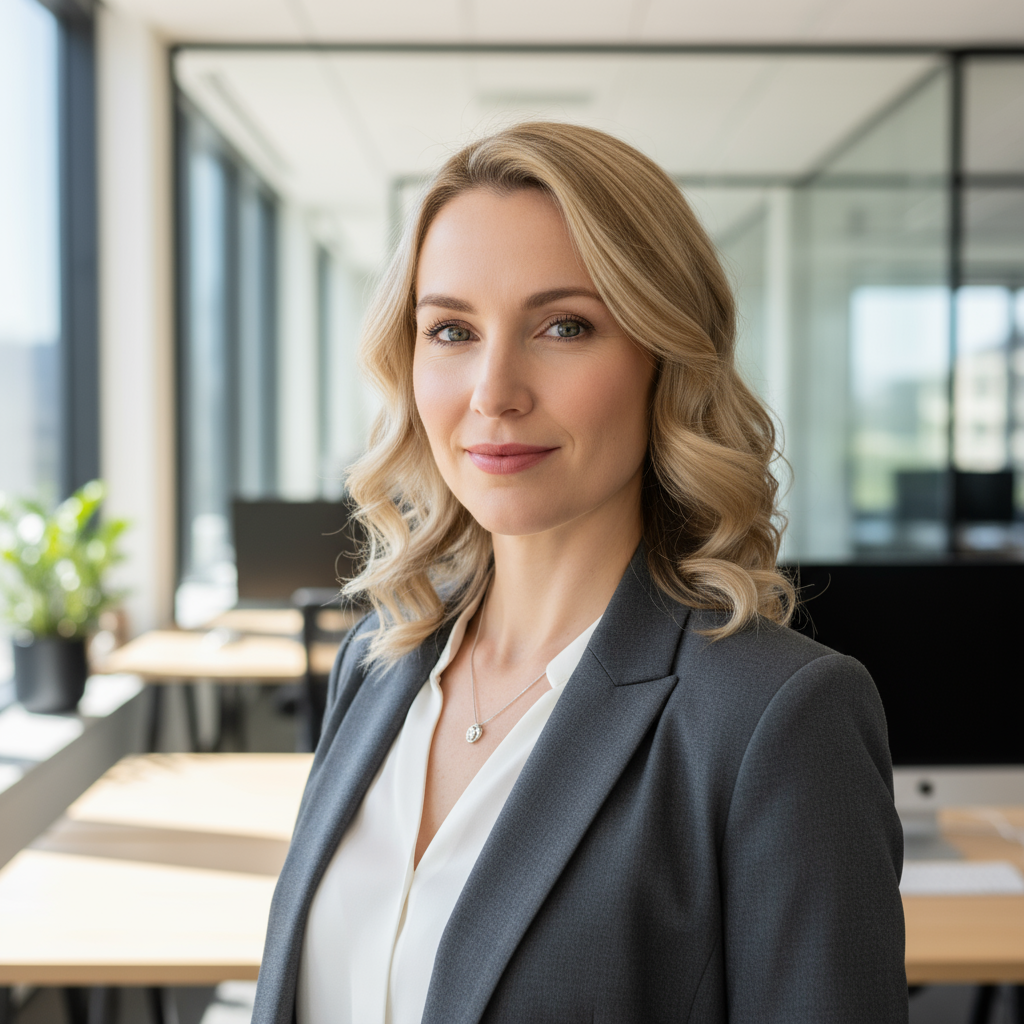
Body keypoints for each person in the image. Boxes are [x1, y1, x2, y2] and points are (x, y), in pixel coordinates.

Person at [252, 122, 906, 1024]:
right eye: (451, 329)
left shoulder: (773, 718)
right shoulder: (379, 657)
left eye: (564, 326)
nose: (493, 391)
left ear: (664, 357)